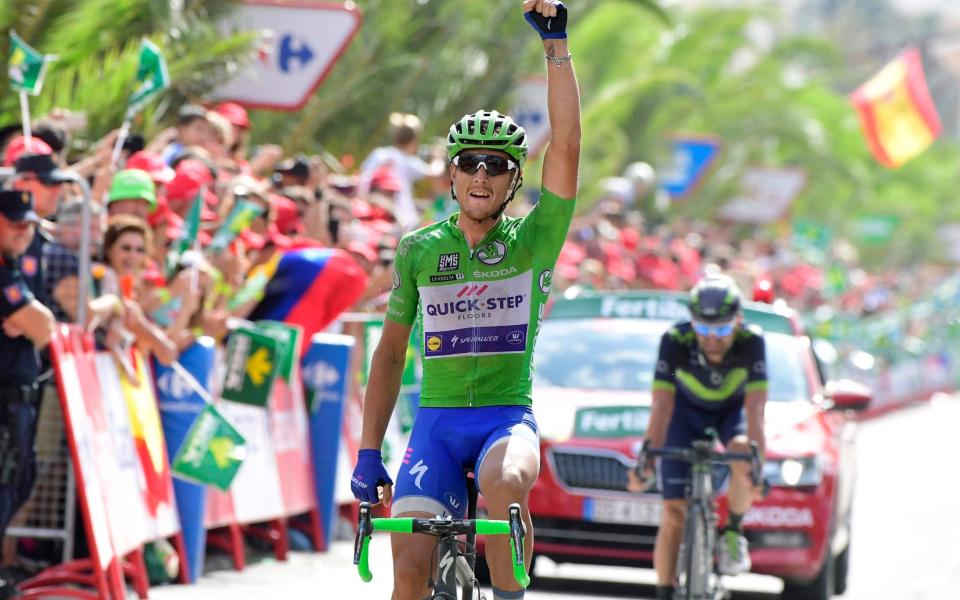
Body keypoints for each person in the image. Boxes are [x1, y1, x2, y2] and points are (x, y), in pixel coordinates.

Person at [350, 2, 580, 599]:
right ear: (451, 175)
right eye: (469, 163)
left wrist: (556, 45)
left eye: (497, 166)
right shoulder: (418, 249)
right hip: (436, 426)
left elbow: (568, 147)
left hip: (506, 419)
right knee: (406, 576)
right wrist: (369, 450)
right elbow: (388, 355)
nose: (482, 174)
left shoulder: (533, 241)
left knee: (504, 487)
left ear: (513, 180)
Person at [638, 274, 767, 600]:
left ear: (737, 322)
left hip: (730, 413)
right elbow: (662, 404)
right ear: (692, 322)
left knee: (742, 455)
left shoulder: (752, 341)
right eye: (704, 329)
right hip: (684, 415)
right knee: (672, 514)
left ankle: (733, 531)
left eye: (722, 330)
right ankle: (665, 592)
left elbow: (755, 408)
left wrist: (757, 464)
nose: (712, 339)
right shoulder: (675, 338)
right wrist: (649, 455)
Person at [0, 190, 56, 596]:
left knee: (18, 479)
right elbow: (40, 326)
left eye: (29, 223)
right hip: (3, 400)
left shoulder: (11, 265)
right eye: (14, 222)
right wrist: (32, 320)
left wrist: (34, 320)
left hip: (16, 398)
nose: (24, 231)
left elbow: (42, 324)